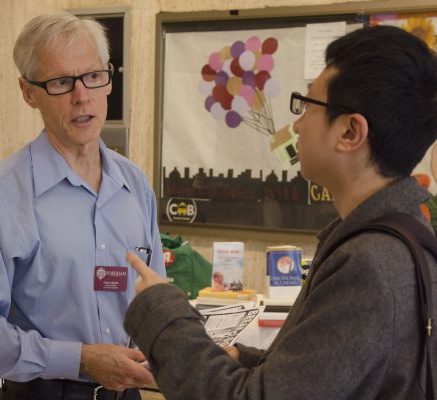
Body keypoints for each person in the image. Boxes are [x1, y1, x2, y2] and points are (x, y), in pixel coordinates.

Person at [123, 25, 437, 399]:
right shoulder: (402, 233)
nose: (298, 125)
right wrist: (242, 358)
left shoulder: (369, 263)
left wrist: (161, 308)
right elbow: (331, 378)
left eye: (308, 106)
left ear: (351, 132)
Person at [0, 12, 165, 400]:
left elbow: (156, 298)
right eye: (61, 82)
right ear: (29, 92)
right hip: (43, 392)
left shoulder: (135, 186)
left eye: (93, 76)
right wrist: (79, 358)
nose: (82, 96)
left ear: (108, 78)